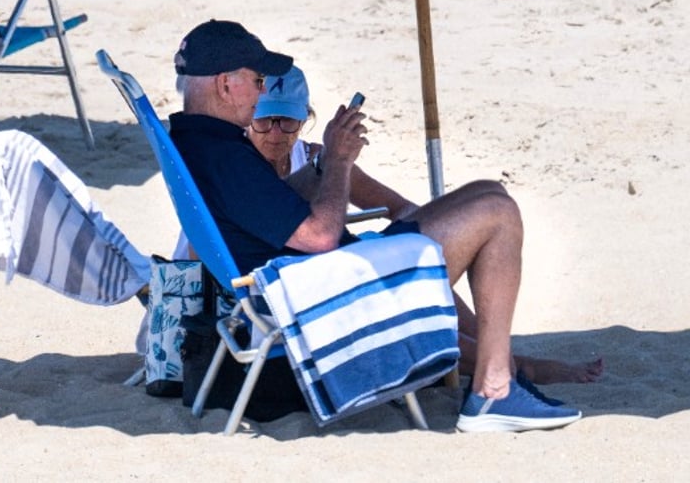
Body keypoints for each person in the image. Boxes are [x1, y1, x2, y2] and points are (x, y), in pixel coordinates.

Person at [169, 19, 583, 432]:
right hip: (320, 298)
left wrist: (321, 165)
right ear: (225, 84)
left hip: (307, 280)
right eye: (258, 79)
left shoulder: (204, 143)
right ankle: (494, 390)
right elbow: (319, 235)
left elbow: (271, 210)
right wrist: (339, 162)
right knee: (498, 213)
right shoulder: (224, 155)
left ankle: (502, 370)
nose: (263, 91)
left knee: (488, 190)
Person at [247, 65, 602, 385]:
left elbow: (399, 207)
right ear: (249, 116)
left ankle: (503, 360)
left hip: (347, 269)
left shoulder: (316, 159)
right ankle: (517, 367)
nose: (276, 133)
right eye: (265, 121)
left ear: (306, 118)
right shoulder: (243, 171)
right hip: (313, 296)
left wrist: (435, 232)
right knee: (425, 297)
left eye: (287, 121)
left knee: (440, 243)